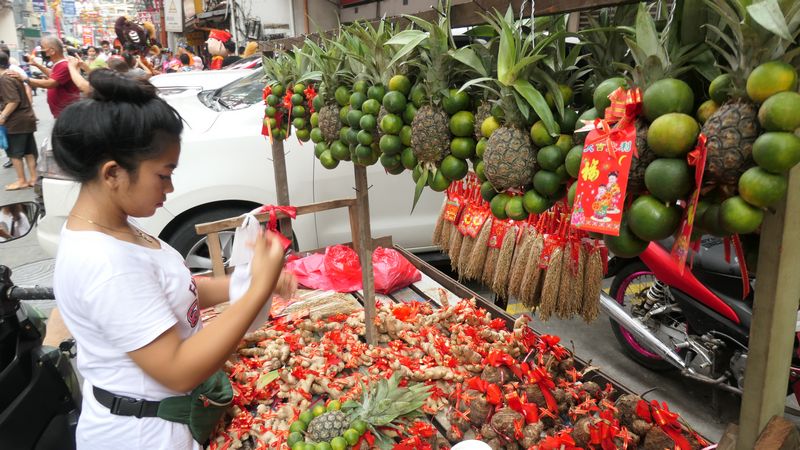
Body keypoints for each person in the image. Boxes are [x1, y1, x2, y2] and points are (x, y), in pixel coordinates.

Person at [51, 69, 296, 449]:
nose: (170, 187)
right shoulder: (105, 264)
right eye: (163, 175)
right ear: (113, 174)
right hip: (140, 437)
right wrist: (257, 290)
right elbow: (179, 369)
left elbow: (172, 292)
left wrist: (244, 282)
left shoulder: (118, 228)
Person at [6, 36, 80, 119]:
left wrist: (25, 78)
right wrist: (36, 65)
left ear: (52, 51)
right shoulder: (59, 64)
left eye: (42, 48)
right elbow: (53, 74)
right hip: (63, 112)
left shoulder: (63, 65)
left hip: (67, 113)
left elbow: (51, 83)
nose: (41, 51)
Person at [0, 52, 38, 190]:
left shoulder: (4, 79)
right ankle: (34, 178)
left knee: (15, 153)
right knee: (28, 151)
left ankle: (21, 180)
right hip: (25, 118)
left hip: (16, 121)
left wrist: (2, 117)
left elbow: (13, 101)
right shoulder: (12, 75)